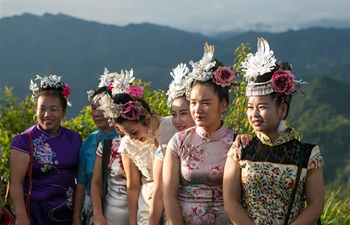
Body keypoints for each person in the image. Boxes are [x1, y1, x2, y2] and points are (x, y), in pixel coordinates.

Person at [223, 38, 325, 225]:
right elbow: (230, 202)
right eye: (249, 107)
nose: (254, 114)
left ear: (282, 110)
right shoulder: (239, 150)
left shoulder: (308, 155)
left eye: (262, 107)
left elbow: (316, 205)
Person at [163, 42, 236, 225]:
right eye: (193, 103)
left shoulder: (236, 142)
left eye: (205, 103)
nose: (197, 109)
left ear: (223, 106)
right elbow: (168, 194)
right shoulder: (179, 141)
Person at [98, 86, 178, 224]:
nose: (132, 138)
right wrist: (132, 222)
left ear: (147, 119)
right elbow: (133, 186)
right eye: (126, 134)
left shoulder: (174, 125)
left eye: (134, 132)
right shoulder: (128, 144)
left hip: (177, 199)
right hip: (148, 205)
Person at [10, 75, 82, 225]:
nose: (47, 115)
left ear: (64, 112)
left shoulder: (74, 138)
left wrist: (77, 216)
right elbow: (15, 181)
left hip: (67, 215)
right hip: (34, 216)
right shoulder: (24, 140)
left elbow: (79, 178)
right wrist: (21, 216)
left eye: (53, 109)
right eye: (42, 109)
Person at [90, 68, 141, 225]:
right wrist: (98, 215)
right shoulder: (108, 147)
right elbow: (96, 183)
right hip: (111, 216)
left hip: (144, 215)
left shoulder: (148, 145)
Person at [73, 68, 119, 225]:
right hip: (93, 212)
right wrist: (76, 217)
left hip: (123, 210)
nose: (97, 113)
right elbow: (81, 182)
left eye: (102, 107)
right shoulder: (89, 142)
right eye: (93, 108)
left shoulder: (127, 138)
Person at [152, 63, 196, 224]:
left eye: (183, 113)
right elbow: (158, 194)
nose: (177, 121)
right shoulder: (166, 148)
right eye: (174, 114)